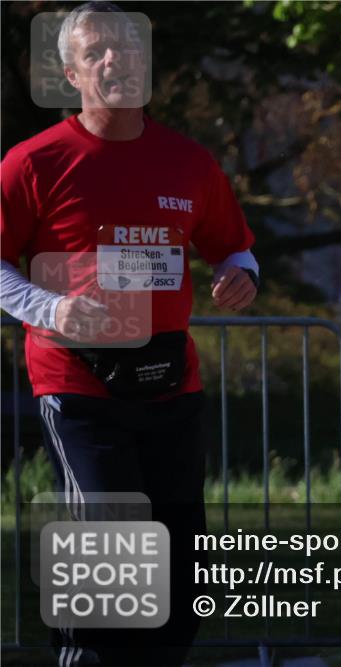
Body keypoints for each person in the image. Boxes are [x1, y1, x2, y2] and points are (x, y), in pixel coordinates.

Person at [0, 3, 259, 665]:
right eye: (96, 52)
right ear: (72, 73)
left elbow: (234, 247)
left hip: (174, 385)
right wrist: (48, 308)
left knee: (179, 571)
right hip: (79, 385)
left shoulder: (188, 161)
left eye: (126, 48)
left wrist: (240, 275)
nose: (115, 60)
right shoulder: (34, 163)